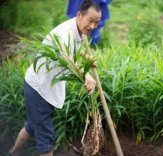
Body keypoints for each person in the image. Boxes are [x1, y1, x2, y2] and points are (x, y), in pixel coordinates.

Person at [11, 0, 102, 155]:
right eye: (90, 21)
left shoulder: (78, 30)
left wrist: (84, 56)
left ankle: (12, 153)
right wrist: (86, 74)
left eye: (97, 23)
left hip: (43, 86)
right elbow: (65, 57)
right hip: (39, 89)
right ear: (79, 15)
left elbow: (72, 51)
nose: (93, 26)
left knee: (32, 126)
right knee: (46, 139)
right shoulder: (64, 33)